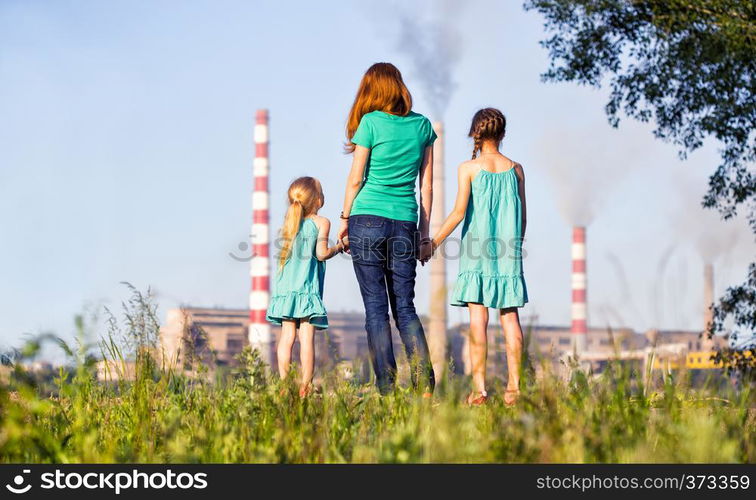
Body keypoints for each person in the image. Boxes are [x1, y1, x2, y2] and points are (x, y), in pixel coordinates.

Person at [338, 62, 436, 395]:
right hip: (406, 221)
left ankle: (387, 388)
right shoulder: (423, 126)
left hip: (366, 217)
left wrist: (343, 219)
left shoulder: (370, 123)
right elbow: (427, 187)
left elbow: (356, 178)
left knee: (376, 308)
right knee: (405, 307)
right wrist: (424, 234)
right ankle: (425, 387)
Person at [428, 108, 528, 406]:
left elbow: (459, 213)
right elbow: (523, 216)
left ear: (475, 133)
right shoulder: (517, 169)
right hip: (509, 252)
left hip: (476, 253)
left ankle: (480, 389)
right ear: (503, 133)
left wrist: (433, 242)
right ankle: (514, 388)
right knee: (510, 319)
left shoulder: (468, 168)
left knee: (477, 322)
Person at [267, 176, 343, 397]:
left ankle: (284, 384)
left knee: (287, 336)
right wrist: (338, 247)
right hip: (306, 290)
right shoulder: (322, 222)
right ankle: (305, 386)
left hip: (285, 291)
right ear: (317, 200)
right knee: (307, 338)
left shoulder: (288, 224)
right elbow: (321, 253)